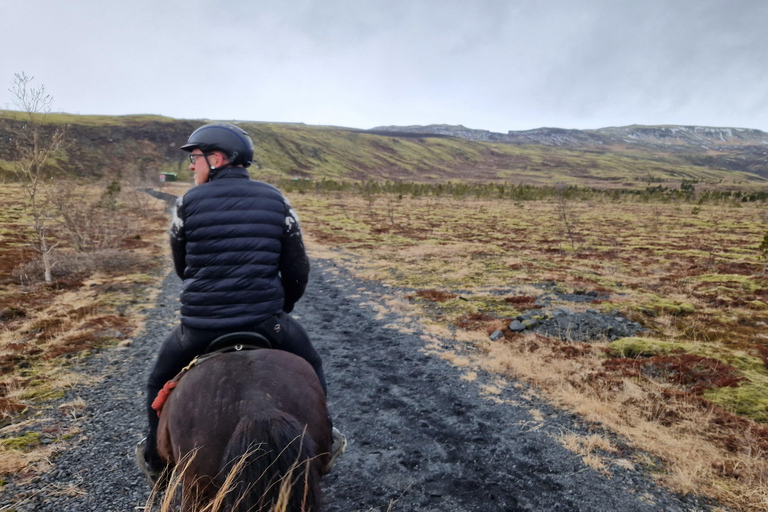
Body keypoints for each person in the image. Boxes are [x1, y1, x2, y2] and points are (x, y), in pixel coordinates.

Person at [135, 122, 345, 484]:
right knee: (310, 362)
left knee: (157, 380)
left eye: (195, 158)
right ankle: (329, 439)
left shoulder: (186, 203)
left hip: (200, 327)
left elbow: (182, 265)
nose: (190, 166)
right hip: (266, 321)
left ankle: (156, 458)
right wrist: (283, 308)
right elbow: (297, 268)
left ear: (217, 159)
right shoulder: (276, 199)